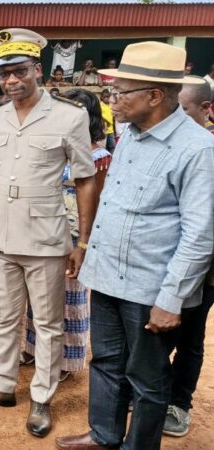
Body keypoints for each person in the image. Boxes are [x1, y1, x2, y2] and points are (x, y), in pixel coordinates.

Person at [56, 41, 214, 450]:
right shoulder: (129, 136)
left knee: (147, 377)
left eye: (120, 92)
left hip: (150, 288)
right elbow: (113, 204)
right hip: (108, 276)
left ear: (155, 96)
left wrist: (171, 299)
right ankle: (104, 434)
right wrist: (86, 246)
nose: (111, 100)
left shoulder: (198, 150)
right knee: (107, 362)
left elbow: (200, 235)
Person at [0, 28, 97, 439]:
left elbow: (85, 180)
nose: (12, 80)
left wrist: (82, 241)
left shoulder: (70, 117)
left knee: (48, 323)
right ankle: (1, 386)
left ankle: (41, 398)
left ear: (37, 69)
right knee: (3, 317)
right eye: (5, 74)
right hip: (1, 236)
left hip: (46, 238)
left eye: (20, 71)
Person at [21, 88, 110, 383]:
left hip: (74, 235)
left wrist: (85, 241)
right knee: (39, 294)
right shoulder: (54, 147)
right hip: (44, 228)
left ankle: (65, 361)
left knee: (70, 299)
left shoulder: (99, 156)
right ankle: (35, 348)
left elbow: (97, 200)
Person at [160, 78, 214, 438]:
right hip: (160, 260)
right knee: (152, 334)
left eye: (183, 110)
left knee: (189, 337)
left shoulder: (207, 148)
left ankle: (179, 403)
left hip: (204, 268)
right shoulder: (166, 143)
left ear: (206, 109)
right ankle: (150, 392)